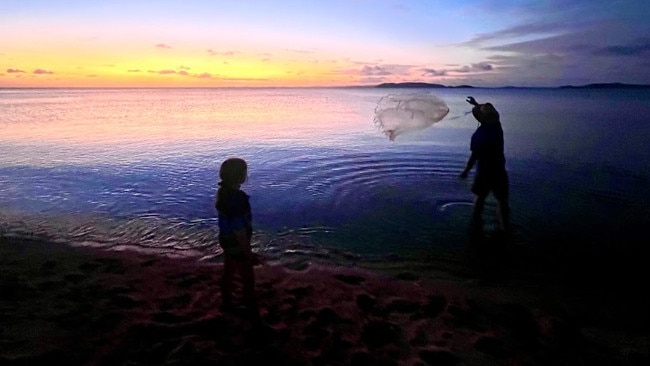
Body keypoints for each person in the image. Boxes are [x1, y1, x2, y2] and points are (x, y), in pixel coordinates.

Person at [215, 157, 264, 321]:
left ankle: (227, 302)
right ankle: (255, 320)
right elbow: (239, 230)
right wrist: (248, 253)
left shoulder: (223, 192)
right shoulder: (237, 198)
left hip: (226, 240)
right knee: (248, 281)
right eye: (245, 171)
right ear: (241, 176)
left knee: (228, 270)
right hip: (236, 244)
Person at [459, 96, 510, 237]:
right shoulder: (497, 126)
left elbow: (474, 157)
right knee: (502, 201)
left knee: (480, 199)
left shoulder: (478, 136)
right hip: (499, 171)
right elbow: (491, 111)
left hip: (484, 172)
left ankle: (475, 225)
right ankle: (505, 228)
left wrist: (466, 171)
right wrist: (476, 104)